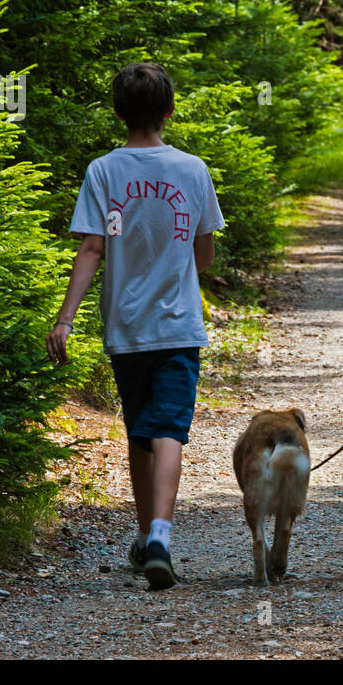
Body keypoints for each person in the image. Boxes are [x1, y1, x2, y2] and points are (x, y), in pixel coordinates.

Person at [46, 62, 224, 590]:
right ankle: (161, 539)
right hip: (178, 326)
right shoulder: (192, 170)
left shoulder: (104, 170)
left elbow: (94, 246)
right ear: (168, 111)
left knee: (139, 432)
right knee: (170, 428)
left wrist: (65, 317)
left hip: (125, 327)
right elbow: (205, 254)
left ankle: (146, 535)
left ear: (118, 112)